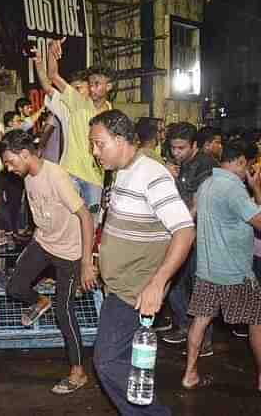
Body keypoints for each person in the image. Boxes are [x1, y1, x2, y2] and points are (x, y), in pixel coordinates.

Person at [89, 110, 195, 415]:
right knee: (121, 366)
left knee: (107, 361)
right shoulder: (121, 169)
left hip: (136, 291)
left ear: (121, 140)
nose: (95, 153)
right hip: (119, 285)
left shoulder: (152, 174)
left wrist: (158, 282)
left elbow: (185, 231)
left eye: (100, 144)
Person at [0, 129, 95, 395]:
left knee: (64, 312)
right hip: (44, 242)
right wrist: (29, 241)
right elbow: (42, 213)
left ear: (25, 154)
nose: (8, 168)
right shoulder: (28, 176)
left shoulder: (56, 177)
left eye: (10, 161)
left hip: (70, 253)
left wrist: (86, 262)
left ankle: (78, 373)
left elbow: (86, 217)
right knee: (15, 287)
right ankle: (40, 301)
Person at [182, 140, 261, 392]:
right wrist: (256, 188)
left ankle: (190, 374)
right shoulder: (234, 189)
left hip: (207, 270)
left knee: (200, 322)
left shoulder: (207, 184)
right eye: (246, 165)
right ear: (239, 162)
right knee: (256, 323)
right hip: (235, 273)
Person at [162, 122, 218, 351]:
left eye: (181, 148)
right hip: (182, 231)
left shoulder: (205, 165)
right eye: (173, 148)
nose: (176, 153)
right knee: (175, 282)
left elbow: (197, 204)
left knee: (199, 286)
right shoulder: (180, 163)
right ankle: (185, 326)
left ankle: (203, 339)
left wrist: (181, 228)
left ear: (194, 145)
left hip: (199, 234)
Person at [41, 39, 113, 215]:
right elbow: (53, 75)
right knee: (69, 222)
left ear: (109, 86)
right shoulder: (77, 101)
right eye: (91, 84)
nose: (93, 88)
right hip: (71, 173)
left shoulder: (112, 112)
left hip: (96, 178)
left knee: (93, 223)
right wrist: (51, 52)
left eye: (97, 84)